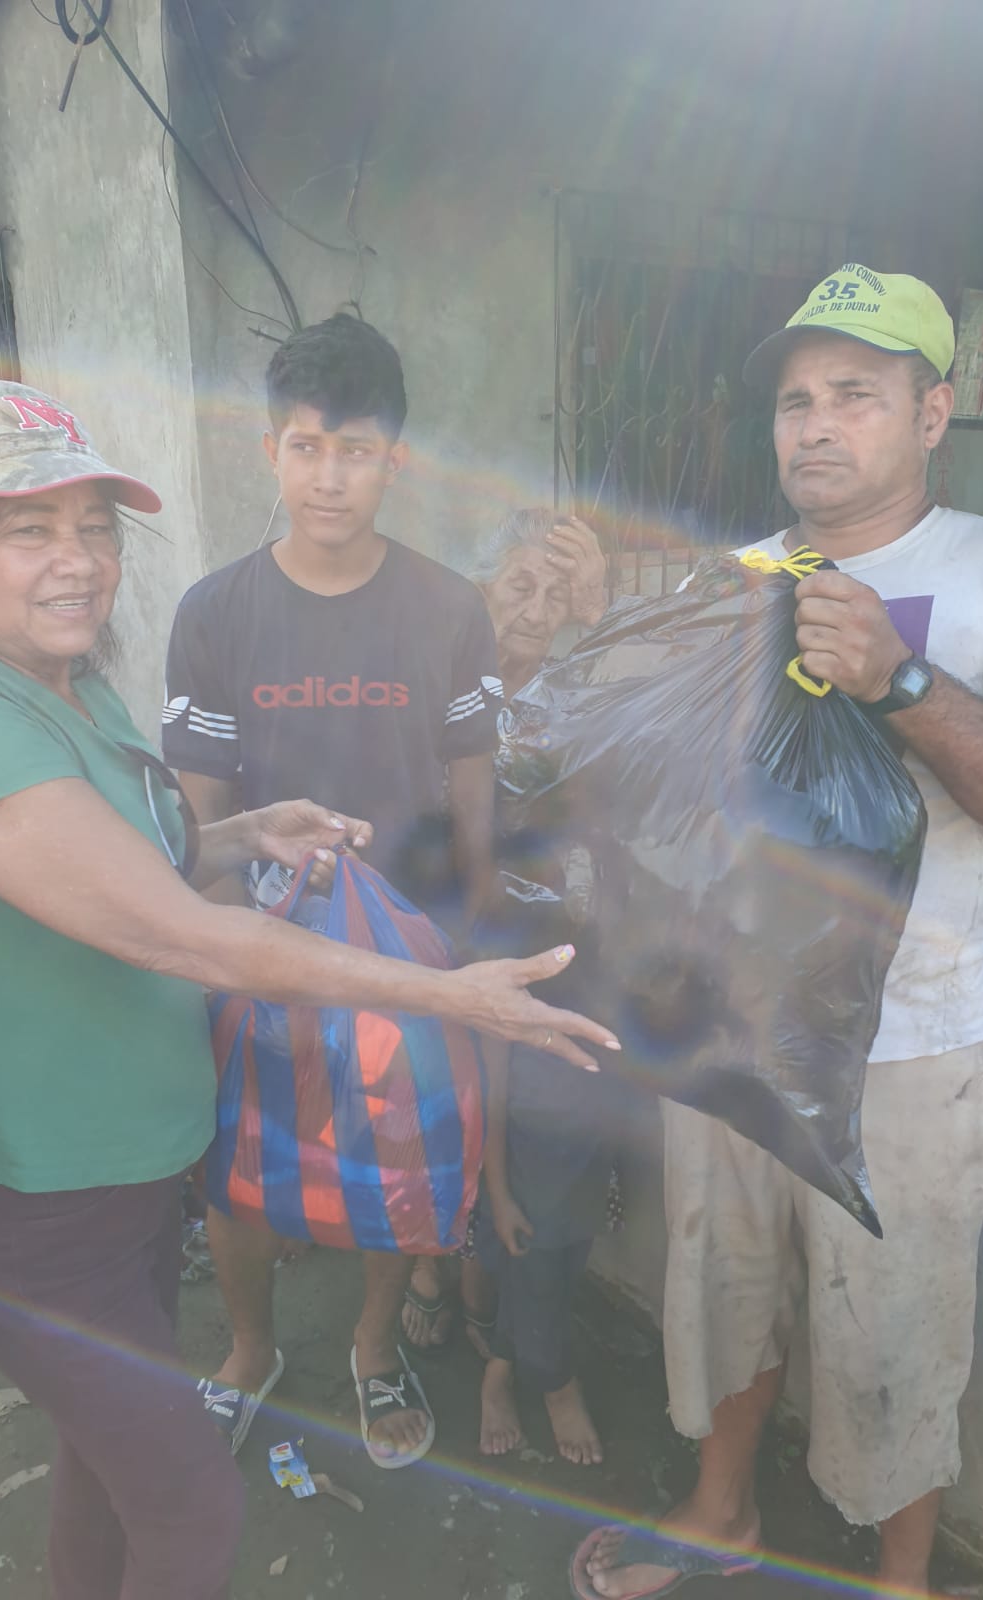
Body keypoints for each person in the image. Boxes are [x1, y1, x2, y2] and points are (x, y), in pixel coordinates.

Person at [0, 379, 618, 1600]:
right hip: (28, 1204)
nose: (79, 560)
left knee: (104, 1475)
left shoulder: (68, 686)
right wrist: (453, 996)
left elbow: (114, 870)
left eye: (94, 527)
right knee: (192, 1506)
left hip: (126, 1180)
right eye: (28, 529)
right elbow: (180, 935)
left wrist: (245, 832)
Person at [573, 266, 983, 1599]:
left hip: (910, 1048)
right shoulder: (738, 578)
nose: (816, 424)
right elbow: (662, 793)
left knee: (899, 1331)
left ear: (933, 413)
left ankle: (903, 1575)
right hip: (732, 1025)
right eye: (796, 400)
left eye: (856, 394)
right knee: (725, 1293)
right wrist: (584, 651)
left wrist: (900, 679)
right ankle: (722, 1513)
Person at [163, 313, 505, 1469]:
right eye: (306, 447)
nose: (328, 477)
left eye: (355, 451)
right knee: (240, 1163)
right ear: (271, 450)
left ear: (394, 459)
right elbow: (198, 812)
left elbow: (473, 779)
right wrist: (225, 952)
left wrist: (471, 924)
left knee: (391, 1158)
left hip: (407, 945)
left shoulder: (449, 608)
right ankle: (250, 1346)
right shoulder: (215, 613)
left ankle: (372, 1344)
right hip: (259, 941)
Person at [401, 509, 621, 1465]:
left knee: (521, 1137)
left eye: (555, 594)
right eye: (518, 586)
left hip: (538, 944)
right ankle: (432, 1269)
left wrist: (602, 613)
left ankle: (509, 1348)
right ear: (479, 589)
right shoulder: (430, 684)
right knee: (434, 1115)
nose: (535, 610)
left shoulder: (575, 698)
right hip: (431, 934)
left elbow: (618, 784)